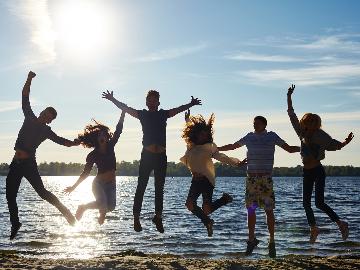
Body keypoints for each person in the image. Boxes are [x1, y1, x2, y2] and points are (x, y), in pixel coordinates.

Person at [102, 89, 201, 233]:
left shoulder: (163, 114)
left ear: (158, 102)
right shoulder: (143, 114)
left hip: (161, 156)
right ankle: (136, 218)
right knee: (141, 187)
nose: (152, 102)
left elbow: (178, 110)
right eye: (149, 100)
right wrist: (112, 99)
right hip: (147, 155)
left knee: (159, 188)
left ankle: (158, 217)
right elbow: (125, 108)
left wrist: (190, 104)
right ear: (146, 103)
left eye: (154, 100)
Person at [6, 71, 79, 240]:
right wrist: (29, 79)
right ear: (43, 111)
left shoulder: (46, 131)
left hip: (29, 164)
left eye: (49, 117)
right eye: (46, 113)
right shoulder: (29, 117)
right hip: (16, 162)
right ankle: (15, 223)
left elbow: (62, 141)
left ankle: (67, 213)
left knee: (42, 193)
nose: (46, 116)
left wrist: (75, 143)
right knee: (10, 196)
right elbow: (25, 96)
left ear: (49, 121)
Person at [218, 116, 300, 258]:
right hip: (252, 178)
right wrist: (216, 149)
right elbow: (233, 146)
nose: (255, 125)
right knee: (251, 210)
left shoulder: (272, 136)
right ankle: (251, 239)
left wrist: (305, 147)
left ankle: (272, 241)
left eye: (258, 123)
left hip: (265, 179)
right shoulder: (249, 137)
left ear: (264, 124)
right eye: (254, 123)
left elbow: (290, 149)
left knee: (269, 210)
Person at [287, 84, 354, 244]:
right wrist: (289, 96)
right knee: (306, 203)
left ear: (316, 123)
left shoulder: (321, 135)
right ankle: (314, 228)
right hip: (306, 171)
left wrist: (345, 142)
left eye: (312, 121)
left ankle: (341, 223)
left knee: (319, 203)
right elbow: (291, 114)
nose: (308, 123)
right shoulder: (301, 132)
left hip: (317, 170)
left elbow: (334, 146)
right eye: (306, 121)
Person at [180, 110, 246, 236]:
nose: (204, 137)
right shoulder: (191, 144)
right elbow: (190, 128)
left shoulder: (210, 147)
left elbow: (222, 157)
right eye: (202, 134)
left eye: (206, 135)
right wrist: (187, 120)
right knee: (190, 205)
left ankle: (224, 201)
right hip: (195, 180)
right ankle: (209, 221)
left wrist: (237, 163)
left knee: (206, 208)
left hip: (206, 180)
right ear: (197, 134)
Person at [64, 111, 125, 224]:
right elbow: (85, 173)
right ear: (97, 139)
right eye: (99, 135)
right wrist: (74, 187)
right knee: (102, 203)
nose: (101, 137)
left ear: (107, 137)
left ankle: (85, 207)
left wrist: (123, 113)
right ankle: (98, 212)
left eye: (103, 135)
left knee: (111, 207)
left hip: (111, 184)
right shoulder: (92, 155)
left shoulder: (111, 146)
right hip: (98, 184)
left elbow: (118, 131)